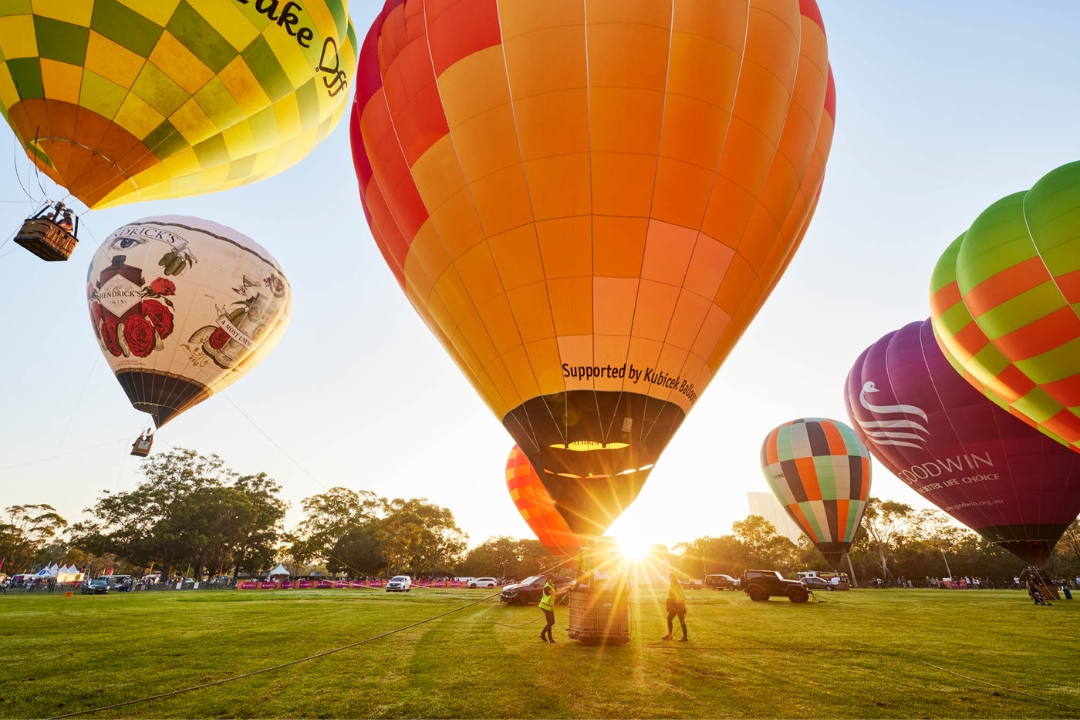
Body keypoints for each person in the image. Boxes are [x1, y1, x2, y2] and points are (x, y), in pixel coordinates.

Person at [662, 572, 687, 642]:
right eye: (669, 577)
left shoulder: (677, 585)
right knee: (669, 618)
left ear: (674, 578)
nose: (670, 578)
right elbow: (670, 594)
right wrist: (668, 601)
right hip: (673, 605)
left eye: (671, 577)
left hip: (679, 605)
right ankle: (670, 635)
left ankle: (685, 637)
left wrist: (679, 601)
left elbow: (681, 595)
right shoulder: (671, 584)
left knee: (682, 621)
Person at [538, 580, 556, 644]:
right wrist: (566, 590)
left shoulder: (552, 586)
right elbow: (554, 593)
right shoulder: (547, 587)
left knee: (552, 622)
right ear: (548, 579)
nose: (553, 580)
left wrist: (568, 588)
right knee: (549, 622)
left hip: (549, 607)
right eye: (552, 578)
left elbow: (560, 590)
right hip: (545, 606)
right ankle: (550, 639)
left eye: (554, 578)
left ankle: (542, 634)